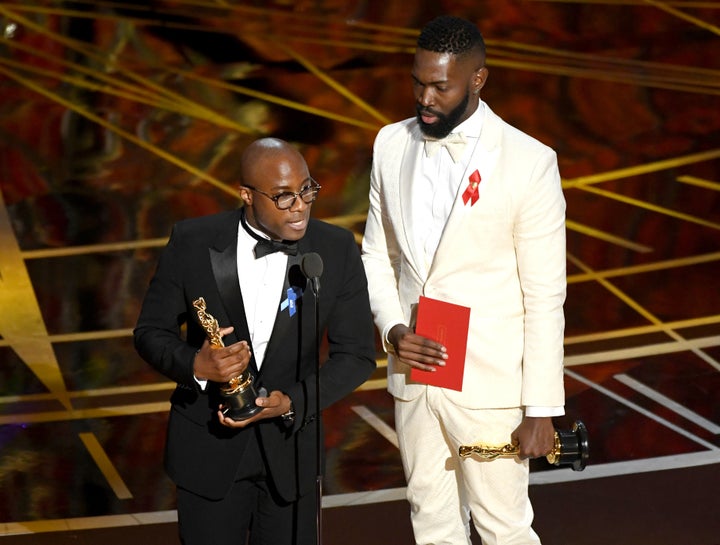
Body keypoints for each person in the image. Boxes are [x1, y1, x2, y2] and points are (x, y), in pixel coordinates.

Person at [361, 15, 566, 545]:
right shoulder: (390, 144)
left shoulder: (530, 163)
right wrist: (393, 330)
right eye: (417, 81)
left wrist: (542, 408)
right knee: (430, 521)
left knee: (504, 529)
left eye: (440, 86)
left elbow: (545, 296)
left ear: (477, 79)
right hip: (414, 370)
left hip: (489, 386)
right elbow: (375, 254)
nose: (424, 97)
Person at [134, 137, 376, 545]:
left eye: (306, 189)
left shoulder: (335, 250)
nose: (299, 204)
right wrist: (197, 365)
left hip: (292, 455)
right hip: (208, 452)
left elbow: (356, 356)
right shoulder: (192, 242)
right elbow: (150, 333)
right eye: (283, 196)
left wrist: (293, 401)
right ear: (246, 194)